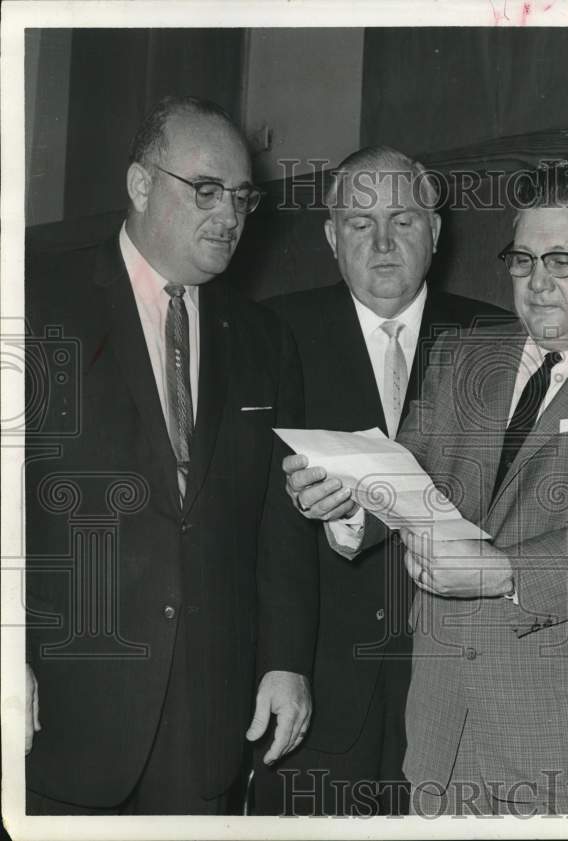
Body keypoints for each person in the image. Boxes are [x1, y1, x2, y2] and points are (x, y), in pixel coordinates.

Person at [289, 160, 568, 814]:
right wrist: (349, 501)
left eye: (560, 259)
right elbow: (406, 476)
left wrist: (501, 572)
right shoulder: (463, 355)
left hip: (562, 748)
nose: (538, 284)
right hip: (441, 734)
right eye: (522, 260)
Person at [24, 96, 316, 815]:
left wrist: (285, 659)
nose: (230, 216)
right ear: (140, 184)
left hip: (208, 721)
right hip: (61, 709)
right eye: (206, 190)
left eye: (242, 197)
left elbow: (279, 521)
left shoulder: (265, 340)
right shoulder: (36, 300)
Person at [256, 146, 510, 815]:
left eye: (402, 218)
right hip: (320, 687)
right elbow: (262, 527)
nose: (383, 241)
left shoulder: (499, 337)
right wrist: (279, 662)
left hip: (461, 690)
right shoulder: (274, 332)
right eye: (360, 222)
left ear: (435, 229)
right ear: (332, 237)